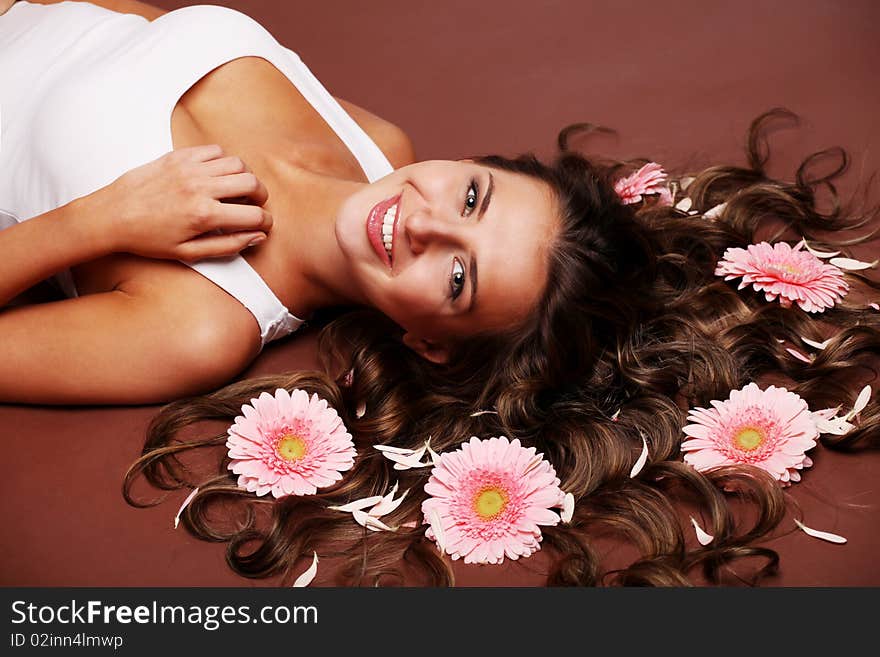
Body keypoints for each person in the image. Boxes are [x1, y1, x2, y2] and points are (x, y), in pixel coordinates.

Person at [4, 1, 879, 585]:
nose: (425, 223)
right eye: (472, 196)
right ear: (473, 164)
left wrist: (97, 221)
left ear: (429, 341)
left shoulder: (200, 324)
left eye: (456, 276)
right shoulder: (379, 143)